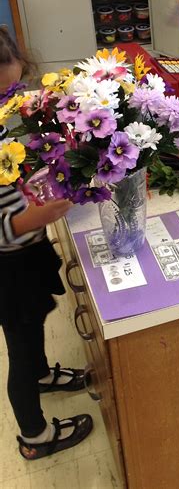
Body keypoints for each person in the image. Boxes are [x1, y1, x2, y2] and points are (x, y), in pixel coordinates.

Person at [0, 28, 93, 460]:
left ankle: (41, 373)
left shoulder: (8, 120)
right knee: (18, 347)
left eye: (12, 90)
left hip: (28, 254)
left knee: (33, 322)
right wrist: (30, 218)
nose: (7, 104)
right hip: (6, 268)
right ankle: (34, 437)